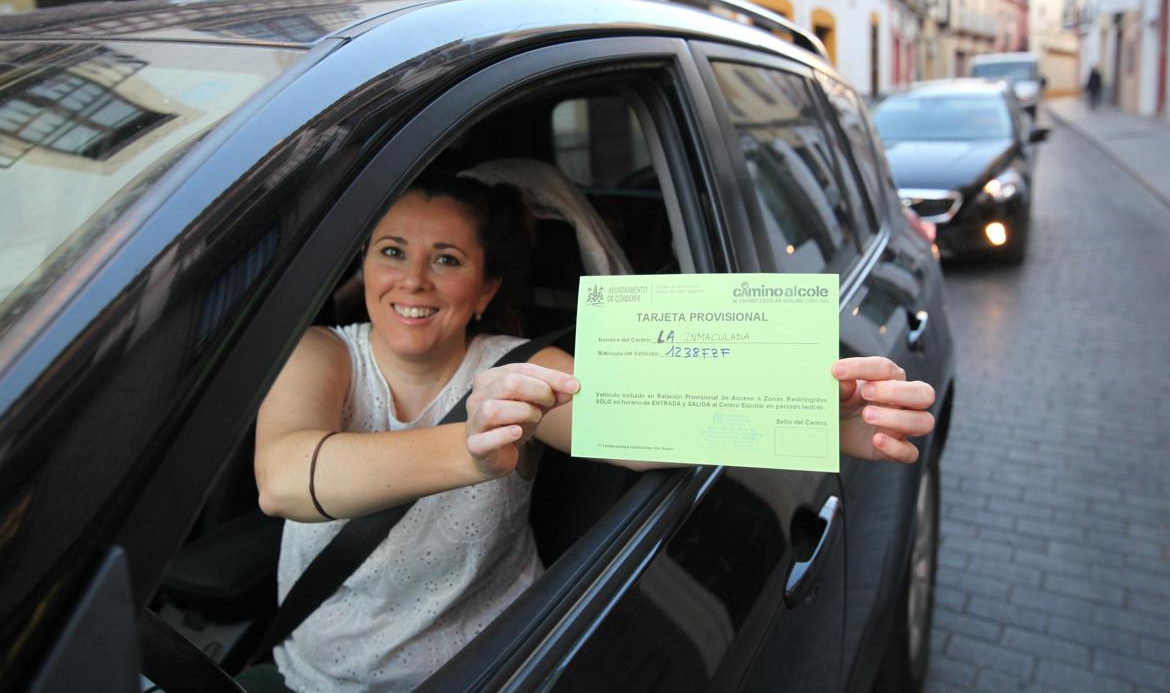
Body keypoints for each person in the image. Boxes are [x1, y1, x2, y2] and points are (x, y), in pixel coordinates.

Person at [252, 174, 937, 691]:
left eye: (448, 260)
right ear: (365, 264)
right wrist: (468, 449)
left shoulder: (517, 369)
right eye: (392, 251)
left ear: (486, 290)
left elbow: (636, 431)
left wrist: (808, 414)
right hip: (317, 677)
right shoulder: (322, 353)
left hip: (492, 670)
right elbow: (284, 478)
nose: (413, 280)